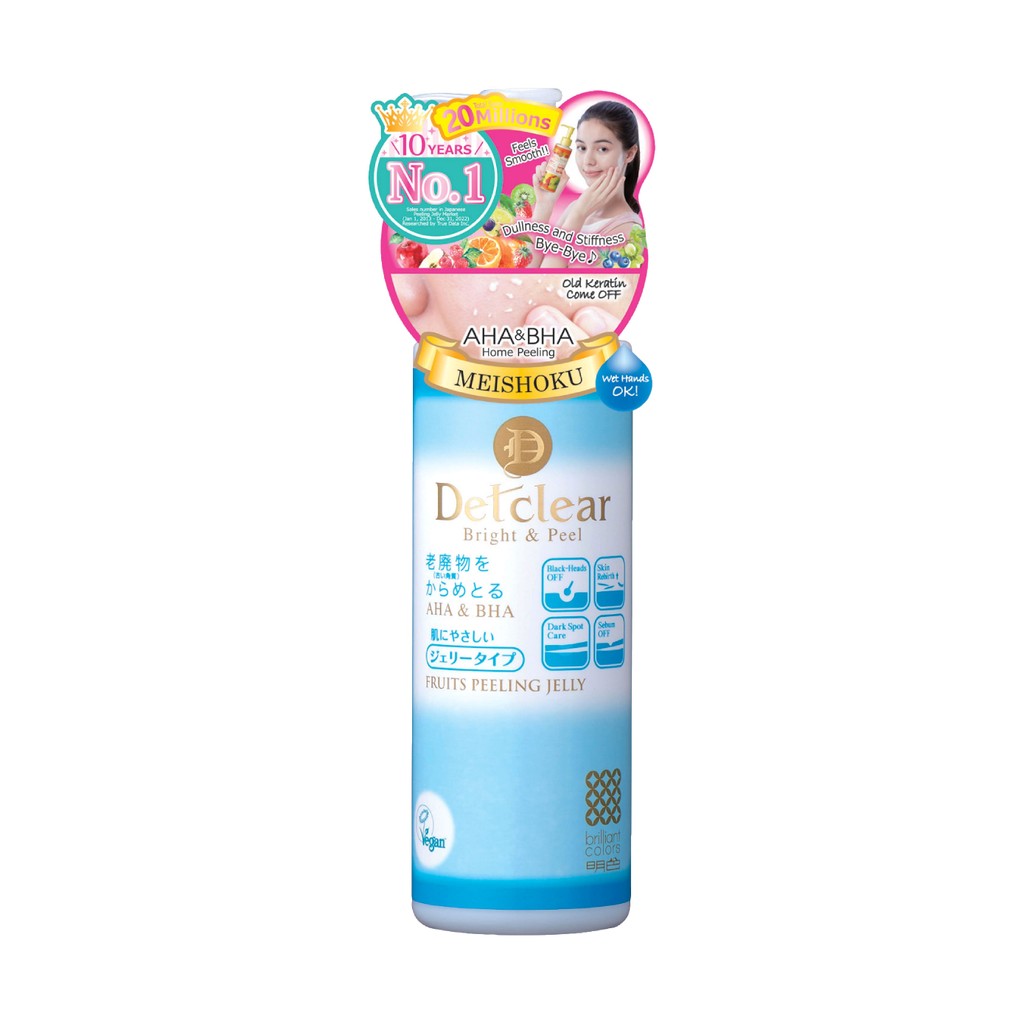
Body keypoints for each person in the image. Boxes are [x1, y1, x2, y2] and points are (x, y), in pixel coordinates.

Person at [532, 100, 643, 269]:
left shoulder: (629, 233)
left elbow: (545, 283)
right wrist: (544, 205)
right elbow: (524, 275)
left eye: (602, 149)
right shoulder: (575, 208)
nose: (588, 161)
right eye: (582, 148)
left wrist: (578, 216)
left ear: (629, 154)